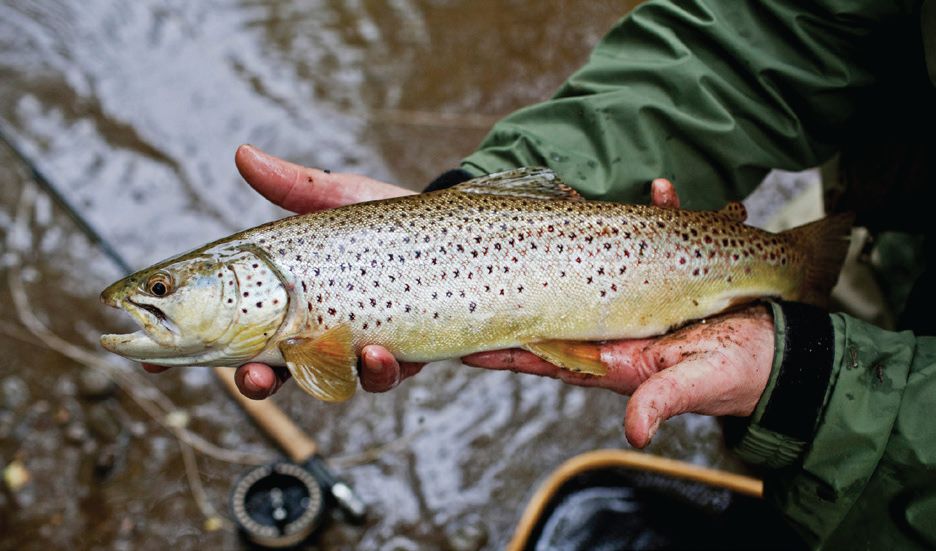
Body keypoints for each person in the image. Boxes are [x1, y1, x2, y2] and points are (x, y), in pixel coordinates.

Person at [147, 0, 936, 547]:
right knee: (785, 465)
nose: (155, 300)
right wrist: (463, 201)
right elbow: (762, 31)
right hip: (896, 243)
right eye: (163, 290)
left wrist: (810, 378)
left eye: (162, 290)